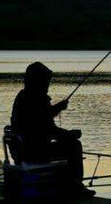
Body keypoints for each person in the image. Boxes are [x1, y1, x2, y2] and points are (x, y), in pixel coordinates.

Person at [11, 62, 95, 198]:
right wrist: (69, 134)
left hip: (23, 150)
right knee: (74, 146)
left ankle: (69, 183)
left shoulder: (23, 97)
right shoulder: (36, 99)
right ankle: (75, 185)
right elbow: (46, 129)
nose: (47, 85)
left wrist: (58, 108)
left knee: (70, 143)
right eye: (46, 81)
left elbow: (42, 119)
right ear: (37, 81)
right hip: (34, 151)